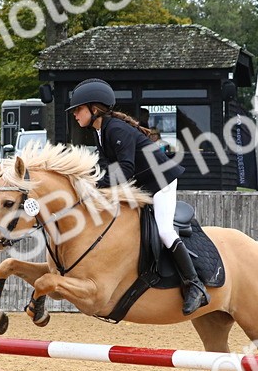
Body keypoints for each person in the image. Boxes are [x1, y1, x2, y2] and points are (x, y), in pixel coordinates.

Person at [66, 77, 206, 315]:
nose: (75, 114)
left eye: (78, 109)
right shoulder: (100, 132)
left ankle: (195, 285)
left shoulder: (116, 129)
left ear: (94, 108)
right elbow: (105, 168)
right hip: (142, 185)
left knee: (164, 231)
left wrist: (96, 185)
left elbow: (126, 169)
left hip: (161, 182)